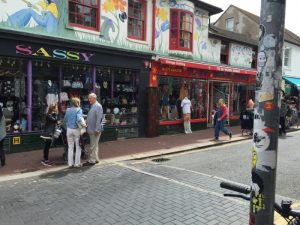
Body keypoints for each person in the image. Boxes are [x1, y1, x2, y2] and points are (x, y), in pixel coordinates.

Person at [64, 97, 84, 168]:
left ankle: (70, 164)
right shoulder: (79, 110)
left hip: (69, 130)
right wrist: (83, 125)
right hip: (76, 130)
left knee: (70, 147)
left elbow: (65, 120)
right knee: (78, 147)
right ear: (78, 103)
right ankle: (77, 164)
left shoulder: (68, 110)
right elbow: (79, 119)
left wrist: (66, 127)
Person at [84, 93, 104, 166]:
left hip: (94, 130)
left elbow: (99, 119)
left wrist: (97, 130)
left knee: (93, 145)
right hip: (92, 129)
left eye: (90, 98)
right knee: (95, 145)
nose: (89, 100)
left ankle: (92, 160)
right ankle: (96, 159)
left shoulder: (98, 106)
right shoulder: (93, 105)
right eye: (88, 98)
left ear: (94, 98)